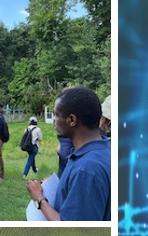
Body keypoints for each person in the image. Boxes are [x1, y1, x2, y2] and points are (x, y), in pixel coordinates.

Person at [26, 87, 111, 221]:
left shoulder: (86, 169)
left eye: (56, 114)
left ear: (72, 120)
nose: (53, 120)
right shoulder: (105, 151)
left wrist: (39, 198)